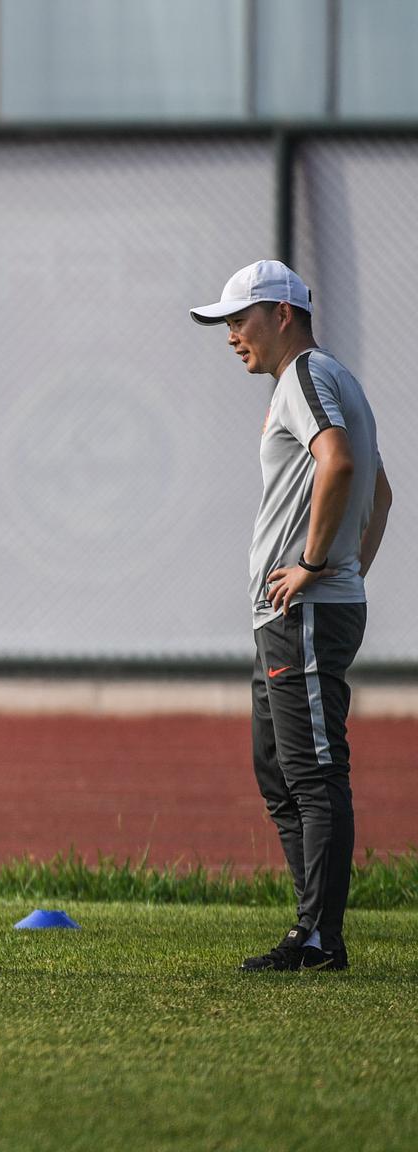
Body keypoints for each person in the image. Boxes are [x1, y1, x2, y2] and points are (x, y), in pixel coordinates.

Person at [191, 260, 391, 973]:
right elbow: (384, 491)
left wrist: (315, 567)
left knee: (310, 770)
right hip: (296, 611)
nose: (230, 336)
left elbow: (339, 464)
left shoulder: (305, 374)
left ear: (281, 314)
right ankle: (310, 928)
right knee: (277, 766)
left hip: (302, 610)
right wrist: (347, 568)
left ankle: (319, 939)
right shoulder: (325, 379)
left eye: (238, 321)